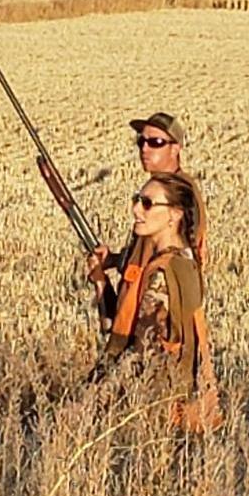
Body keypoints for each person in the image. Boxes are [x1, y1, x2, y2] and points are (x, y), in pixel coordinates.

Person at [86, 172, 222, 432]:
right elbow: (126, 328)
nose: (137, 209)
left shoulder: (161, 274)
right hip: (176, 401)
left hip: (153, 412)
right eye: (137, 200)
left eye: (147, 203)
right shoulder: (185, 262)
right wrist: (100, 280)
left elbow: (140, 354)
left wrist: (92, 405)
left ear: (175, 214)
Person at [92, 112, 207, 332]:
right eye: (141, 141)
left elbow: (172, 255)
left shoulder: (179, 197)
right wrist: (116, 260)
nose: (144, 149)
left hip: (154, 322)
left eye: (155, 142)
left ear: (176, 149)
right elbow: (144, 254)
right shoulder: (157, 192)